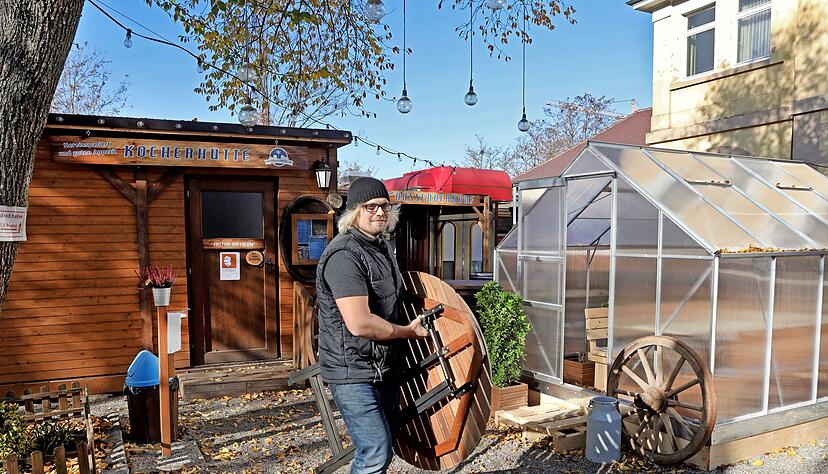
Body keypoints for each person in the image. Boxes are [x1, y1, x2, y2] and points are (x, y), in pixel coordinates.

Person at [315, 177, 428, 474]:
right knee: (375, 450)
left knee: (383, 448)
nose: (380, 212)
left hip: (382, 366)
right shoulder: (344, 256)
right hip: (352, 370)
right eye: (371, 206)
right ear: (355, 212)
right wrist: (407, 332)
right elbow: (360, 323)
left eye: (384, 206)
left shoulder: (381, 247)